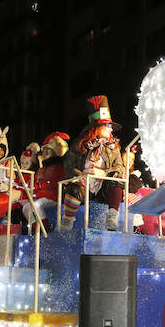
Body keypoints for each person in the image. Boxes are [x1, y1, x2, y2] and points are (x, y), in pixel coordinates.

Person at [60, 95, 125, 231]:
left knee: (115, 182)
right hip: (84, 184)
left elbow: (119, 167)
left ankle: (112, 217)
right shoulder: (79, 145)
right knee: (74, 188)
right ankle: (67, 221)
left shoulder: (114, 147)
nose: (111, 129)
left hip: (103, 185)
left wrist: (102, 172)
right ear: (96, 128)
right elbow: (68, 165)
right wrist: (81, 175)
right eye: (108, 125)